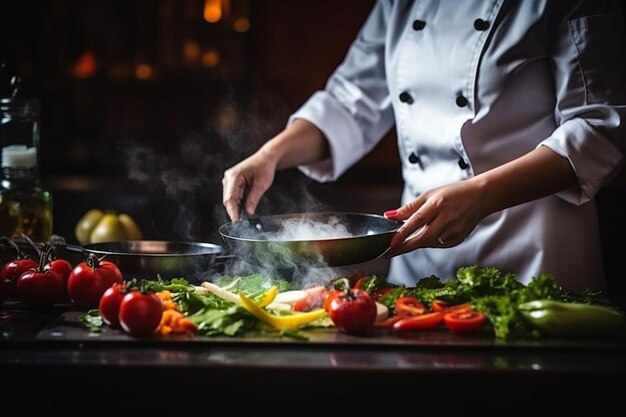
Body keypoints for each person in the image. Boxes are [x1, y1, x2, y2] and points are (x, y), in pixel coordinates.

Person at [222, 0, 626, 292]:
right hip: (420, 258)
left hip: (534, 258)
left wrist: (481, 194)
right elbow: (351, 99)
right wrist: (270, 155)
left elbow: (600, 126)